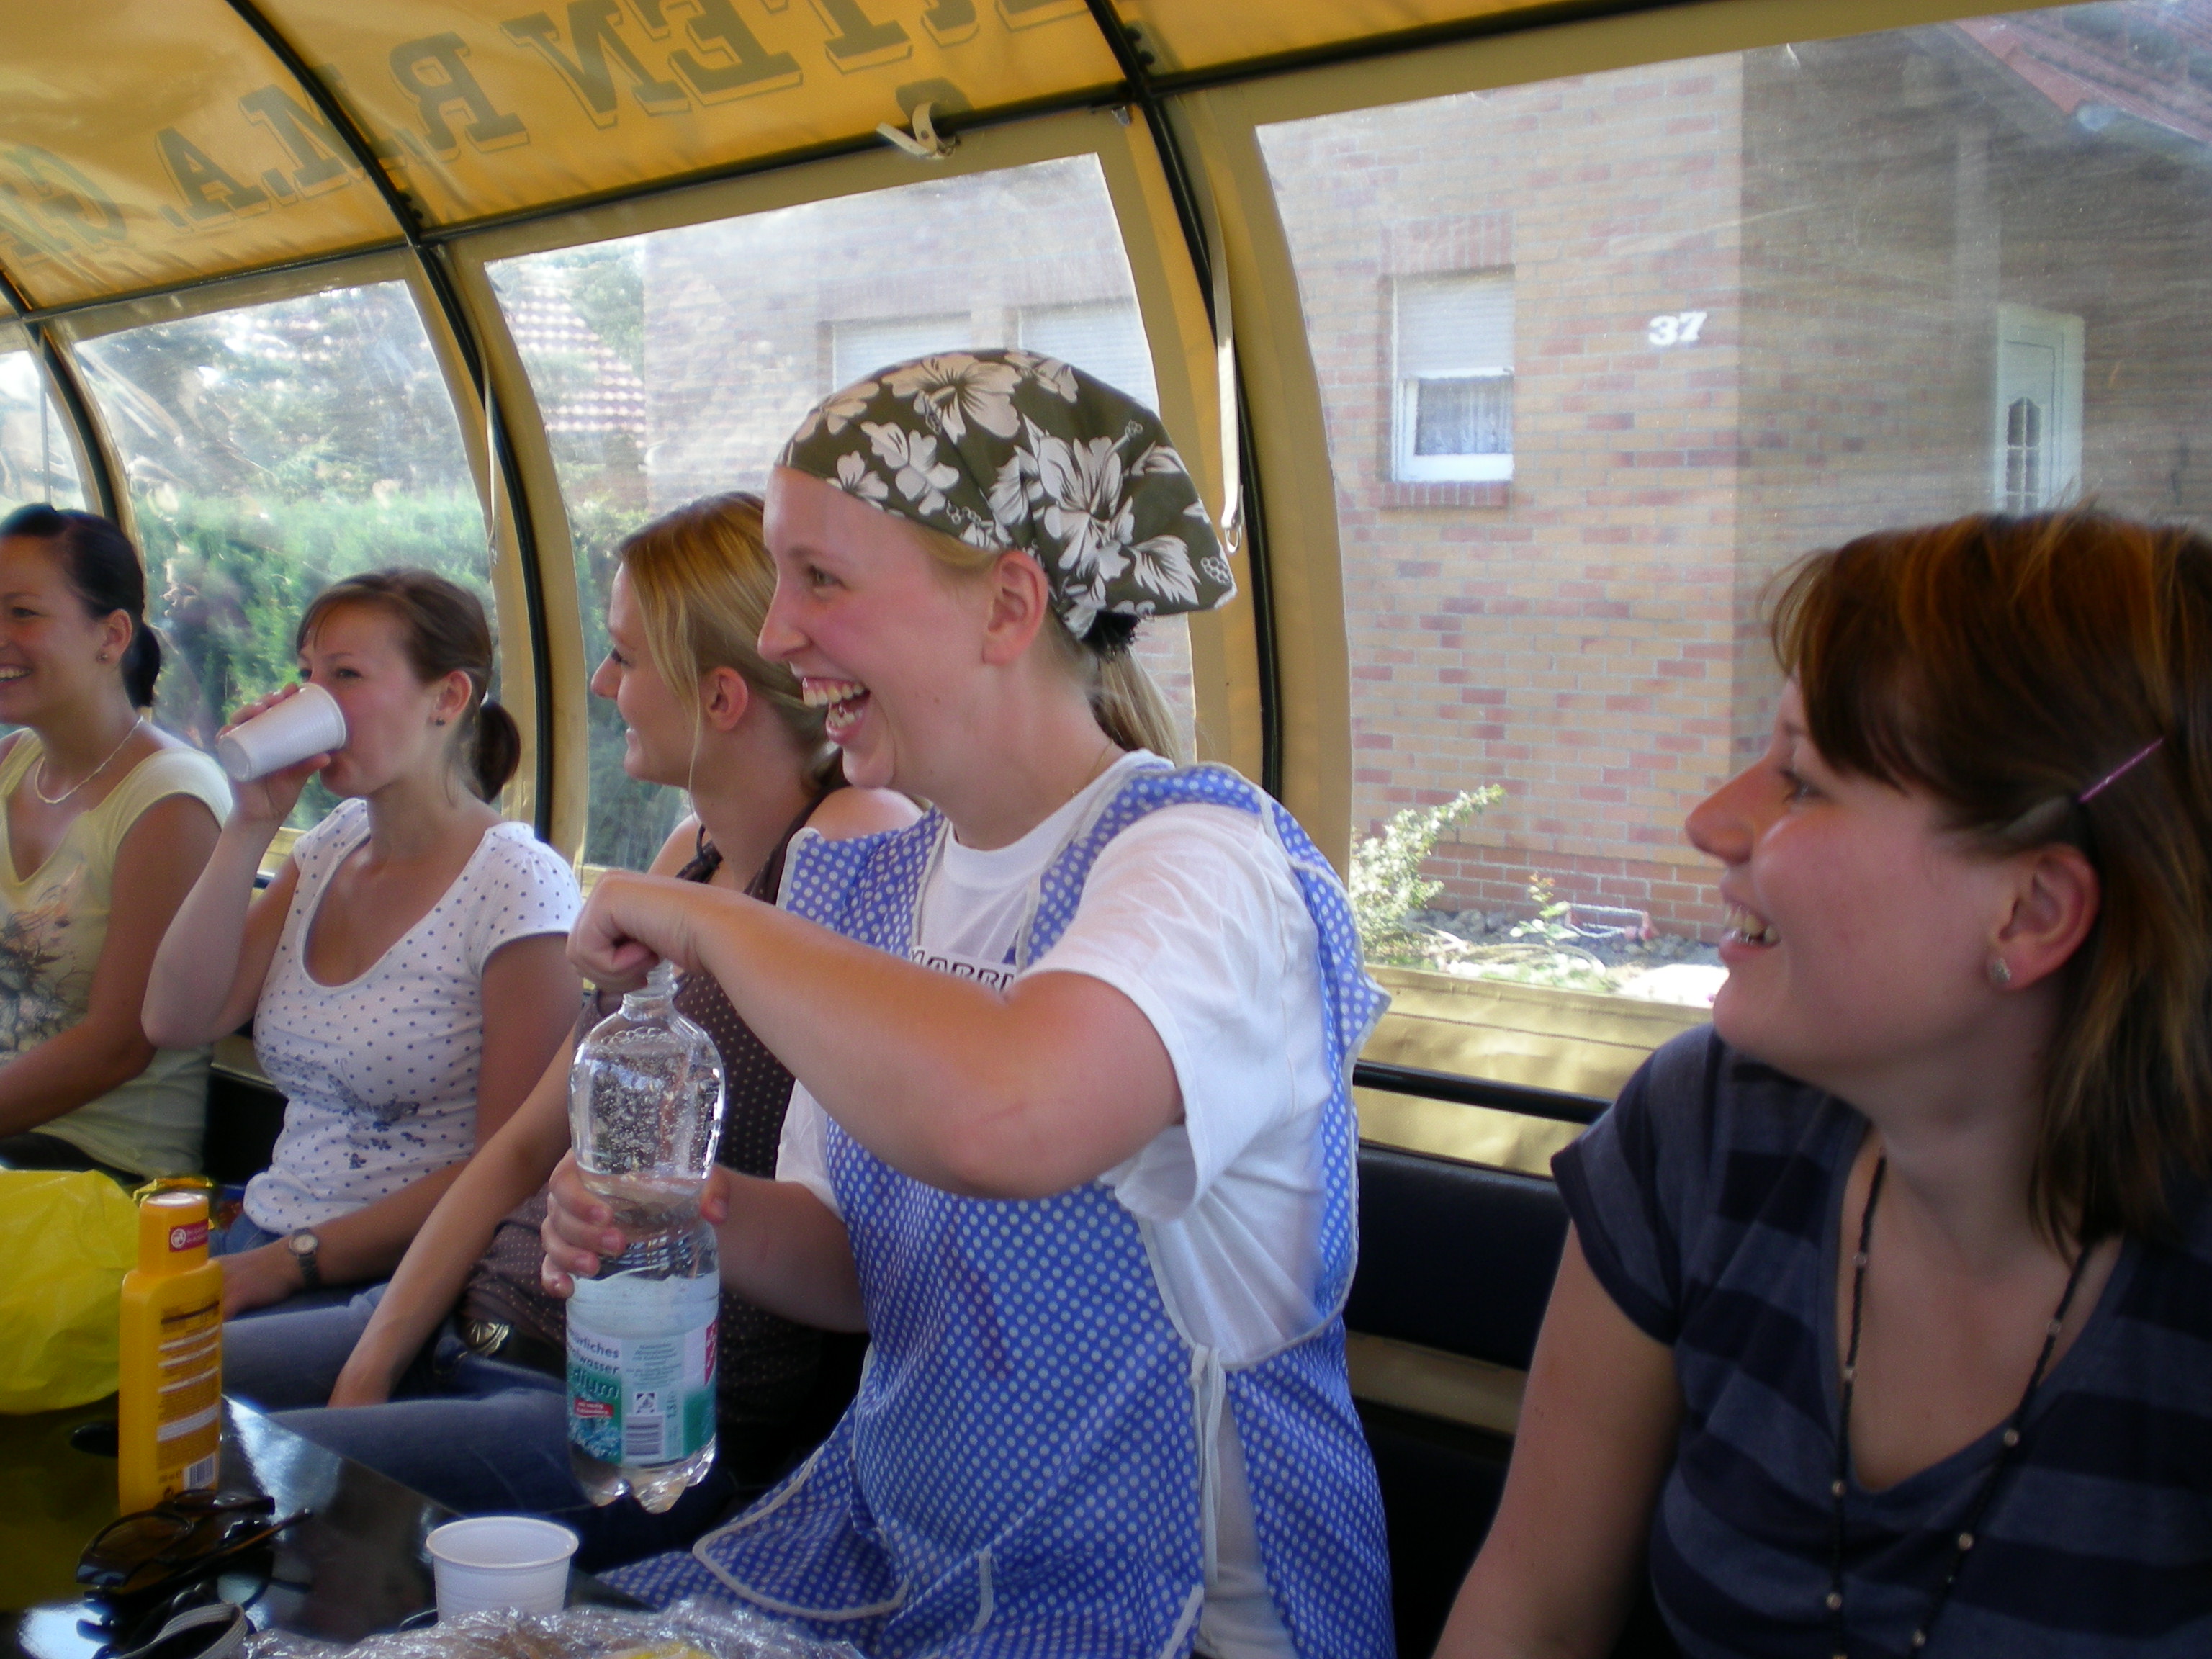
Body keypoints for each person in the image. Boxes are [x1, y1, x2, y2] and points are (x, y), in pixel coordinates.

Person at [541, 351, 1395, 1658]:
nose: (776, 633)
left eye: (820, 579)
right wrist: (684, 1209)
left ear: (1007, 605)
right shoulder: (868, 882)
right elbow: (858, 1268)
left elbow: (1009, 1114)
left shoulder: (1201, 864)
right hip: (899, 1560)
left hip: (1169, 1610)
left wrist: (707, 915)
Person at [1440, 511, 2212, 1658]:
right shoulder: (1705, 1132)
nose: (1713, 822)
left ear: (2031, 912)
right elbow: (1534, 1611)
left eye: (1801, 782)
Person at [216, 495, 914, 1563]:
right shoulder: (689, 856)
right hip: (486, 1324)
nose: (600, 685)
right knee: (162, 1392)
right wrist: (372, 1363)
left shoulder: (850, 844)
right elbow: (516, 1151)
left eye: (624, 658)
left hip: (636, 1399)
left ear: (721, 697)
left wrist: (349, 1427)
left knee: (259, 1482)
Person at [143, 569, 580, 1318]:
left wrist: (289, 1265)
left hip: (390, 1285)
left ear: (448, 698)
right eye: (307, 676)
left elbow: (508, 1169)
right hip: (263, 1234)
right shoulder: (331, 845)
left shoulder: (517, 884)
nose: (315, 701)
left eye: (345, 676)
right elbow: (175, 1019)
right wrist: (249, 824)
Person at [0, 505, 229, 1182]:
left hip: (98, 1166)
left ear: (112, 635)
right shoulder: (13, 762)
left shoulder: (171, 800)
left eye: (22, 613)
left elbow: (118, 1046)